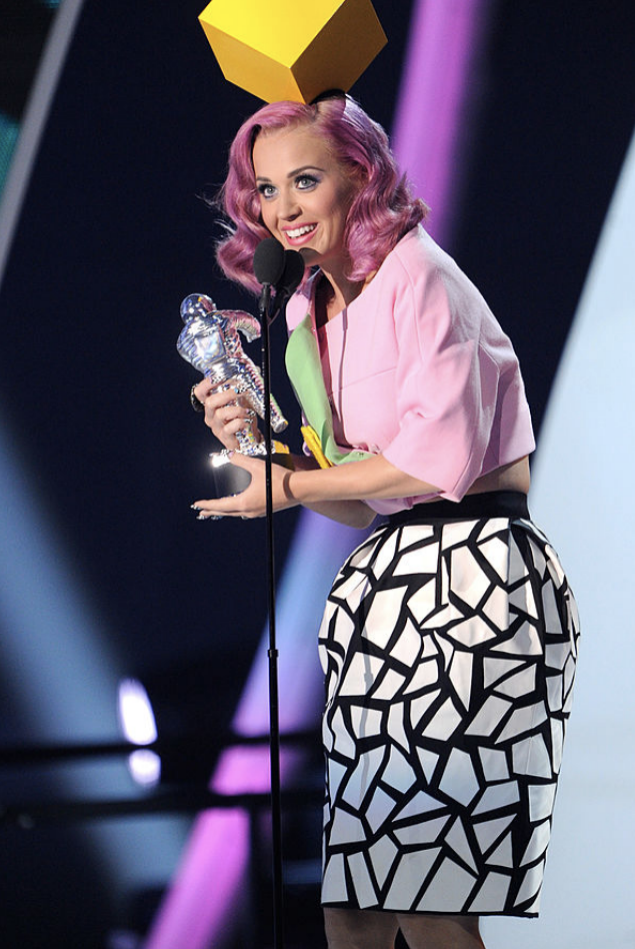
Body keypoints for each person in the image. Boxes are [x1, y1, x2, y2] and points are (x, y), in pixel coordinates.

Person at [190, 94, 580, 949]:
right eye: (265, 189)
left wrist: (286, 491)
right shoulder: (303, 315)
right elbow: (354, 495)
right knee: (354, 905)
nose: (282, 209)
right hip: (387, 586)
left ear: (360, 178)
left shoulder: (420, 277)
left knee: (430, 896)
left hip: (477, 581)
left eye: (305, 181)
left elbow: (436, 462)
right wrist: (270, 457)